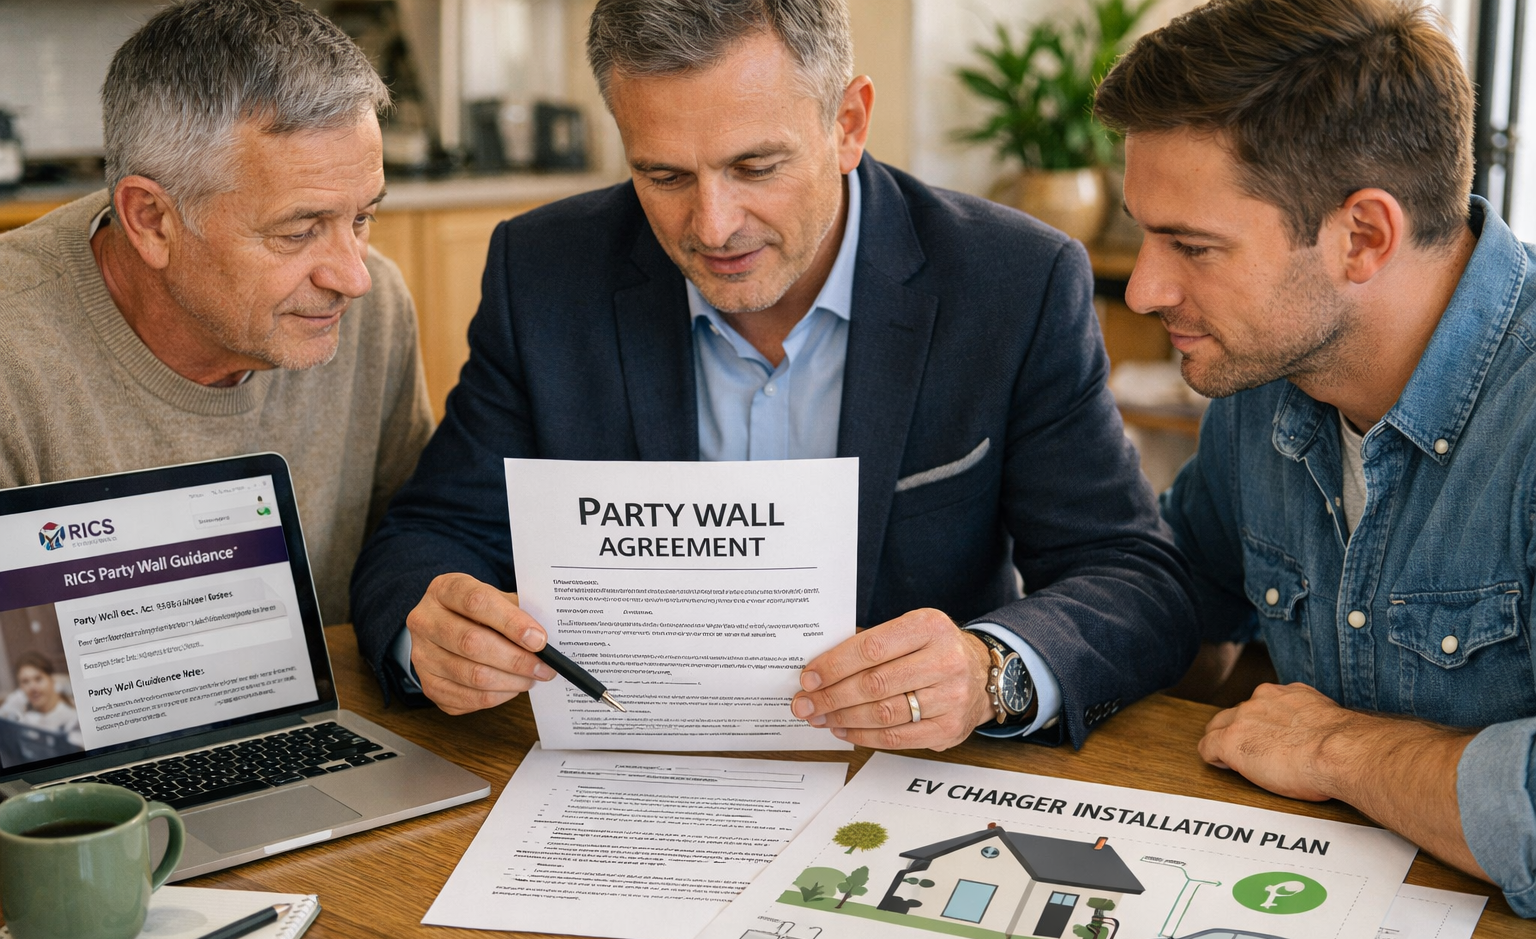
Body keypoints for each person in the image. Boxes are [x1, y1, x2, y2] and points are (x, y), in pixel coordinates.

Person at [351, 0, 1197, 751]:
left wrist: (989, 672)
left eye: (756, 166)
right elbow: (429, 536)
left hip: (904, 772)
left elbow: (1131, 574)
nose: (713, 226)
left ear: (849, 124)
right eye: (664, 175)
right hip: (624, 768)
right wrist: (430, 638)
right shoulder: (543, 270)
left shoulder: (1013, 280)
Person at [1096, 0, 1536, 913]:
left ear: (1363, 236)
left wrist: (1340, 749)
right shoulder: (1267, 381)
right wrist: (1012, 664)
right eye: (1146, 232)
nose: (1144, 287)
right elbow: (1176, 596)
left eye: (1193, 246)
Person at [0, 0, 433, 625]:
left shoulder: (375, 311)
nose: (354, 277)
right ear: (151, 221)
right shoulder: (15, 351)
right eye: (299, 231)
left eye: (362, 217)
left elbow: (411, 546)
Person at [1, 654, 82, 750]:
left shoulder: (73, 717)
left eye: (38, 679)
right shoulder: (25, 717)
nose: (32, 688)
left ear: (52, 679)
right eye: (25, 682)